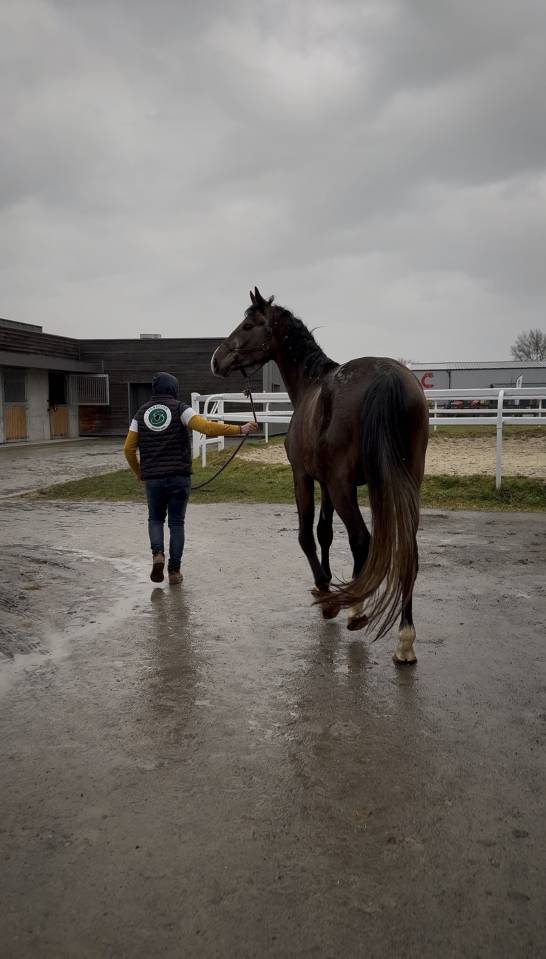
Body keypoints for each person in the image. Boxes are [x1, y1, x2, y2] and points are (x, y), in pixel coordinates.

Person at [123, 371, 257, 584]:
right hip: (179, 477)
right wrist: (239, 429)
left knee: (155, 519)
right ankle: (174, 571)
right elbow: (205, 427)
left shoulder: (140, 413)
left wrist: (140, 473)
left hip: (154, 479)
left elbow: (129, 448)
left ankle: (157, 554)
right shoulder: (180, 408)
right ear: (174, 389)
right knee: (177, 523)